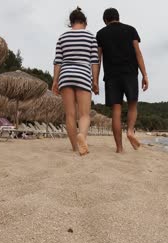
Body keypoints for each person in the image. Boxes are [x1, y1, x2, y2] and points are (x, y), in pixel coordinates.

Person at [96, 8, 149, 153]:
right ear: (118, 17)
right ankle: (130, 131)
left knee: (116, 111)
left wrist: (95, 80)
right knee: (132, 106)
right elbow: (138, 53)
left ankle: (119, 148)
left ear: (106, 20)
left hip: (112, 77)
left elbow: (97, 59)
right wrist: (144, 75)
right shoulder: (131, 30)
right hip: (130, 73)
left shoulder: (101, 34)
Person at [52, 7, 100, 156]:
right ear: (84, 22)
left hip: (65, 75)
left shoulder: (62, 37)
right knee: (84, 114)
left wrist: (55, 82)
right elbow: (94, 61)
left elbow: (58, 61)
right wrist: (95, 81)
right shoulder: (91, 37)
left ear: (71, 23)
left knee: (70, 115)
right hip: (83, 75)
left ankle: (74, 147)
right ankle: (82, 136)